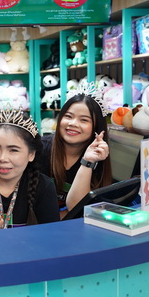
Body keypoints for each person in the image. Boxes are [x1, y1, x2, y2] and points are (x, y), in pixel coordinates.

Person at [40, 84, 112, 215]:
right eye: (68, 116)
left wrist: (87, 162)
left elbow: (76, 207)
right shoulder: (41, 148)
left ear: (96, 127)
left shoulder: (98, 156)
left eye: (84, 120)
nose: (73, 123)